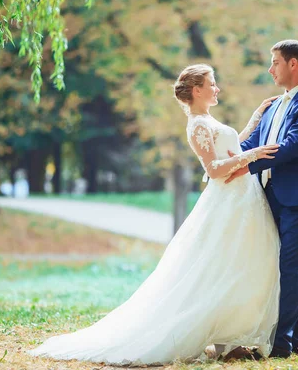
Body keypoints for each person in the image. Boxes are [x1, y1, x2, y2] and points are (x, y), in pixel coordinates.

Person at [28, 64, 282, 366]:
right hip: (227, 202)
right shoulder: (197, 125)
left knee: (238, 265)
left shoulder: (208, 121)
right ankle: (225, 339)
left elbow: (231, 146)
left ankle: (232, 338)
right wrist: (255, 154)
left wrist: (255, 119)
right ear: (197, 90)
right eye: (212, 84)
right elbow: (214, 169)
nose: (217, 89)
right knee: (220, 267)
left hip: (242, 199)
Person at [228, 39, 298, 358]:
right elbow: (256, 142)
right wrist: (227, 160)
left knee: (291, 268)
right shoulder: (272, 105)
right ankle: (297, 337)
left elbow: (291, 147)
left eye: (275, 62)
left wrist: (246, 168)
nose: (270, 69)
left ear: (293, 64)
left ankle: (282, 343)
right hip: (268, 195)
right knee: (275, 266)